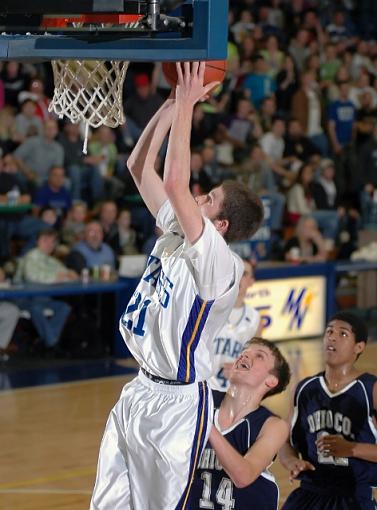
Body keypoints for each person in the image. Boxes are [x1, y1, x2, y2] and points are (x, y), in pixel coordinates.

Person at [90, 62, 264, 509]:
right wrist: (170, 103)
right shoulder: (176, 229)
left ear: (220, 224)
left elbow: (173, 181)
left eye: (207, 200)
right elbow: (137, 164)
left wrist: (188, 102)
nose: (197, 197)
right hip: (139, 389)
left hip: (178, 403)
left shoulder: (219, 261)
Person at [279, 312, 377, 510]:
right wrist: (291, 461)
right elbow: (285, 441)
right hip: (310, 493)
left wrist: (351, 448)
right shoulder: (304, 389)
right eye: (329, 331)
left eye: (342, 334)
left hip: (354, 497)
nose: (332, 337)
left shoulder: (371, 389)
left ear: (359, 346)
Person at [190, 338, 291, 510]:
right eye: (244, 351)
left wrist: (206, 424)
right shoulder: (202, 397)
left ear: (271, 380)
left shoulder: (273, 426)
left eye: (259, 356)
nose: (244, 355)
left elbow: (243, 476)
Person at [210, 259, 262, 391]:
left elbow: (256, 363)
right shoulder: (211, 309)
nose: (238, 278)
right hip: (205, 389)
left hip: (235, 392)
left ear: (251, 281)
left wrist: (240, 370)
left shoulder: (255, 318)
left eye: (244, 274)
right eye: (236, 272)